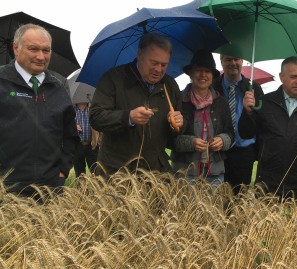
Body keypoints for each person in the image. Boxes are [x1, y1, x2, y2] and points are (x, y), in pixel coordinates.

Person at [0, 23, 78, 197]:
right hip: (2, 192)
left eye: (46, 50)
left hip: (49, 192)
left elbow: (70, 136)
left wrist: (62, 172)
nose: (41, 56)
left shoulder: (58, 88)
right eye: (33, 49)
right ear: (16, 48)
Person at [239, 56, 297, 201]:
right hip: (267, 181)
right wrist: (248, 112)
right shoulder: (265, 102)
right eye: (293, 77)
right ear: (282, 77)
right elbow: (246, 133)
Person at [89, 33, 183, 176]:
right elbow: (96, 117)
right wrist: (129, 117)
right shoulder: (113, 78)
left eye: (164, 65)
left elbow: (177, 134)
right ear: (139, 55)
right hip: (117, 172)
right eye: (154, 63)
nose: (159, 69)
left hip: (157, 174)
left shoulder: (170, 86)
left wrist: (176, 124)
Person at [171, 50, 234, 185]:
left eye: (208, 71)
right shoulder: (178, 101)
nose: (203, 75)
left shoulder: (221, 103)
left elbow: (231, 133)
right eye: (199, 70)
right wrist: (191, 143)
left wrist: (222, 140)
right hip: (185, 172)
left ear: (212, 76)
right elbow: (168, 139)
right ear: (191, 74)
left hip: (215, 173)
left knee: (212, 207)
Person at [212, 54, 264, 194]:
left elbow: (261, 121)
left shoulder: (254, 88)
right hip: (217, 151)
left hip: (244, 154)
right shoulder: (213, 86)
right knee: (216, 199)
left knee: (239, 202)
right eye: (228, 59)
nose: (233, 63)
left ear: (242, 61)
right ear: (221, 61)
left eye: (236, 59)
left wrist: (250, 112)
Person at [73, 102, 100, 177]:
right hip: (77, 146)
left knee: (96, 173)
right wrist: (73, 126)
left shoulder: (93, 108)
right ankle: (81, 188)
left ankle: (96, 188)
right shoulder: (71, 109)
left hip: (92, 145)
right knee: (79, 174)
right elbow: (65, 124)